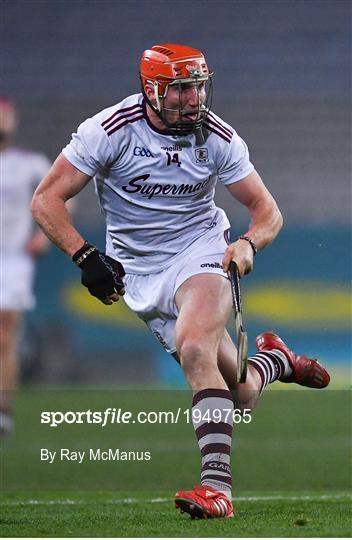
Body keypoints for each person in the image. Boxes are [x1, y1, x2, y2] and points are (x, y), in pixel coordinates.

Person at [31, 44, 330, 519]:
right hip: (138, 272)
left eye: (199, 86)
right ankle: (275, 360)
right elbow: (46, 199)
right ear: (151, 89)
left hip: (200, 252)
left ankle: (217, 490)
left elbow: (267, 211)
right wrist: (85, 255)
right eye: (181, 89)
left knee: (195, 350)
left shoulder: (217, 137)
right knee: (243, 394)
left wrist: (249, 244)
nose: (194, 99)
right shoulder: (108, 131)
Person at [0, 97, 51, 435]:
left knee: (4, 335)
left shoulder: (30, 163)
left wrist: (45, 235)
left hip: (12, 259)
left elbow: (57, 197)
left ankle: (2, 410)